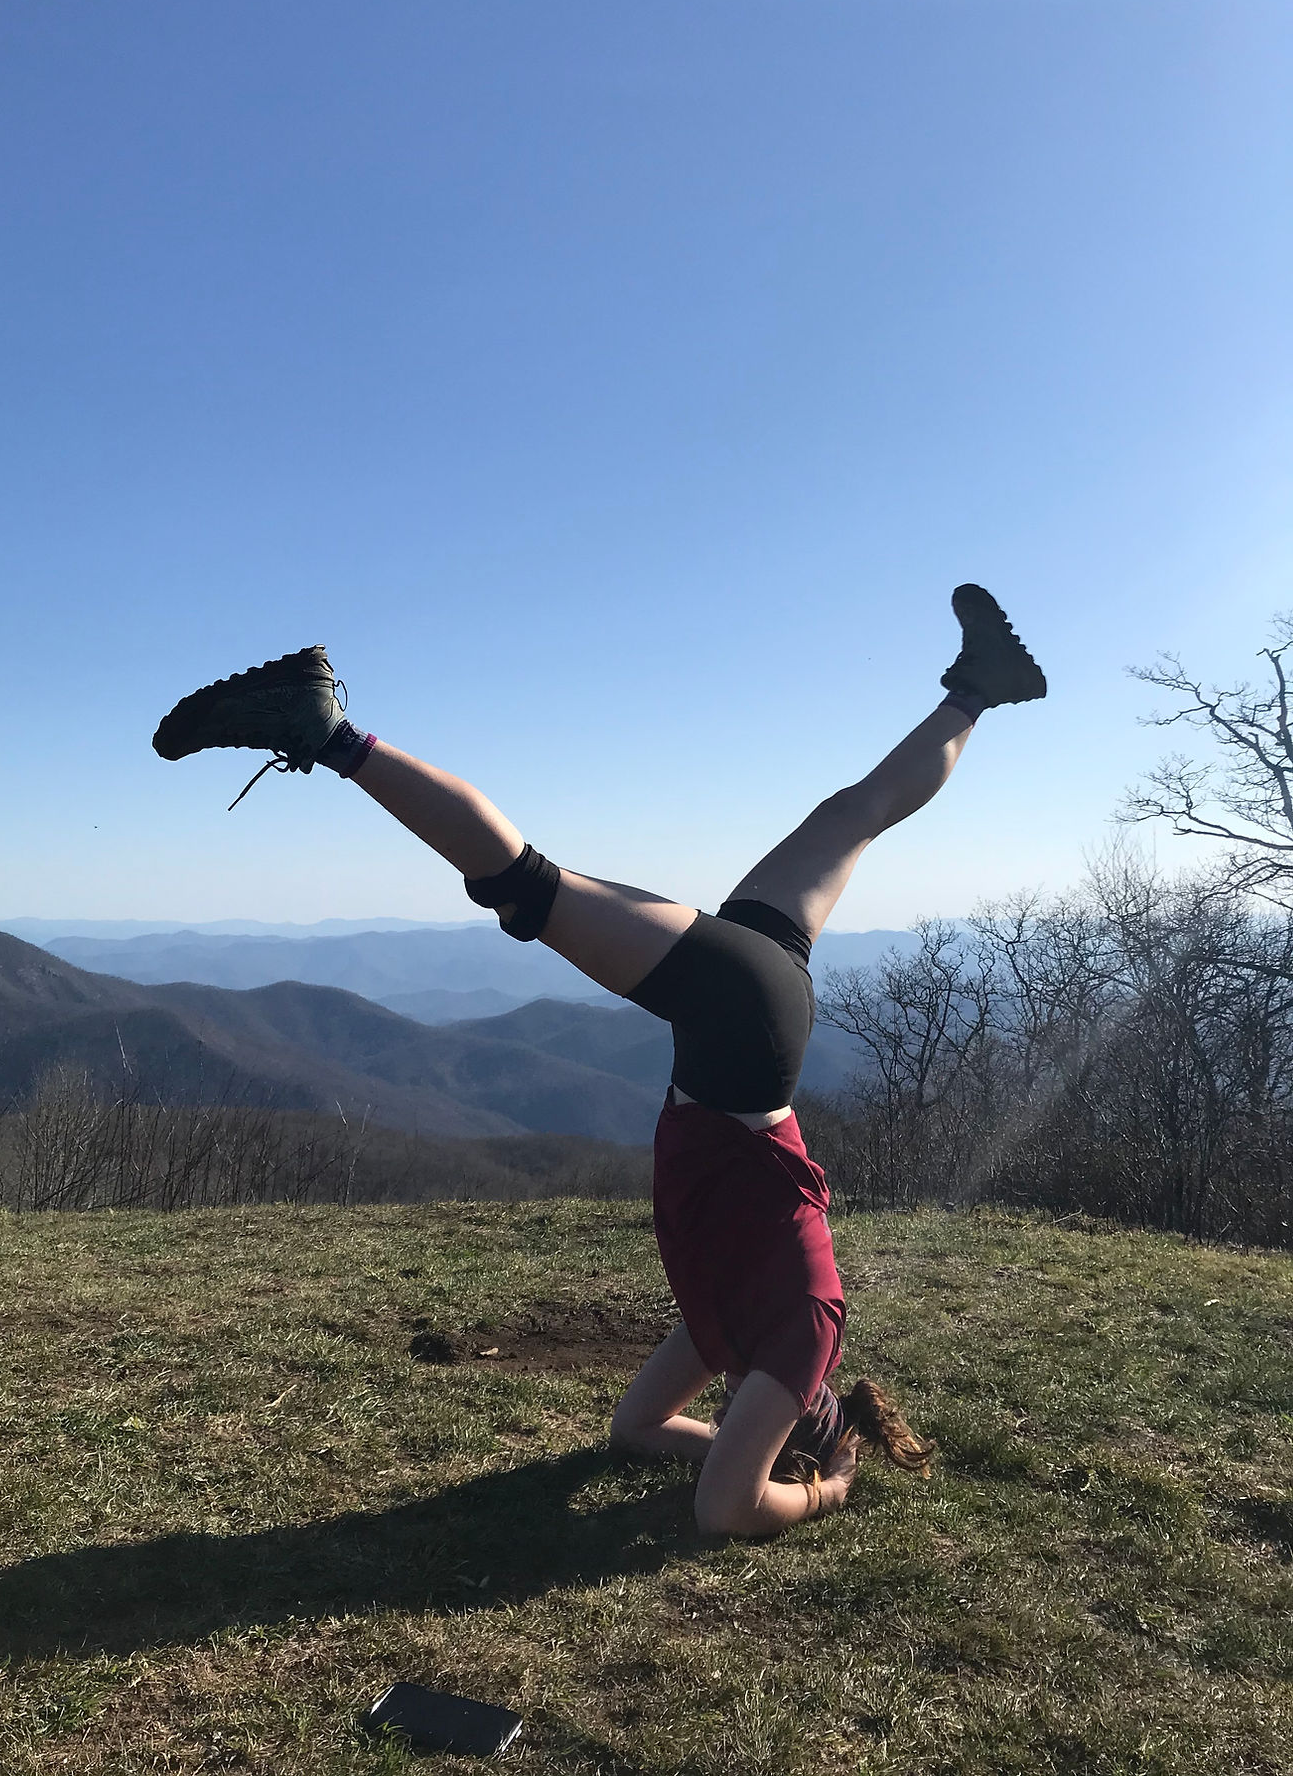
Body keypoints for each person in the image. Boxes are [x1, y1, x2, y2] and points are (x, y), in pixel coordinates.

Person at [153, 583, 1046, 1537]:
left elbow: (637, 1430)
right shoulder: (801, 1343)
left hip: (751, 1025)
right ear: (797, 1420)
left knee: (854, 815)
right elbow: (726, 1509)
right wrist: (824, 1491)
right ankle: (325, 728)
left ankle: (978, 689)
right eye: (759, 1424)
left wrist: (737, 1437)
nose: (739, 1411)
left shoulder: (730, 1332)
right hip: (741, 1029)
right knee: (526, 887)